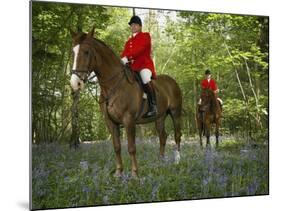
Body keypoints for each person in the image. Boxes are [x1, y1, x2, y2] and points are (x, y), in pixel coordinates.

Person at [121, 15, 157, 118]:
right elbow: (123, 54)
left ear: (140, 27)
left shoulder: (145, 36)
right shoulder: (128, 42)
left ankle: (153, 106)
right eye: (131, 25)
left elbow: (140, 49)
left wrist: (127, 57)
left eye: (135, 25)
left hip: (144, 65)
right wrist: (122, 60)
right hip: (132, 68)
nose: (133, 27)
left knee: (145, 78)